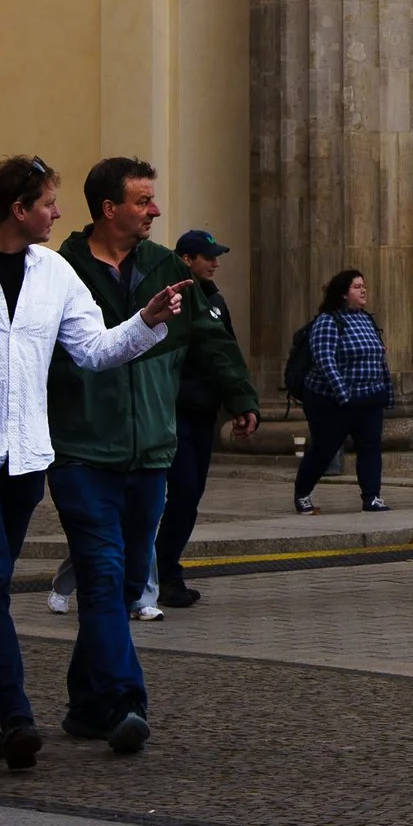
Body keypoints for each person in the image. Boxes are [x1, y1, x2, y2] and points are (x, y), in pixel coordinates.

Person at [0, 156, 184, 770]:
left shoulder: (54, 273)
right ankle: (16, 714)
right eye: (49, 202)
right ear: (18, 209)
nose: (59, 212)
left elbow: (94, 350)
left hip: (26, 457)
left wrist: (145, 322)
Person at [46, 158, 260, 746]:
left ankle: (86, 706)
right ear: (109, 208)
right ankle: (123, 702)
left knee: (119, 582)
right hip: (83, 448)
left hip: (151, 450)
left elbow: (209, 337)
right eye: (143, 201)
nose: (156, 210)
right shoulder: (60, 271)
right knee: (105, 571)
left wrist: (239, 393)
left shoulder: (167, 266)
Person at [154, 228, 250, 610]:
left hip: (203, 412)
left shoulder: (215, 301)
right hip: (174, 411)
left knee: (190, 496)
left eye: (216, 256)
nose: (215, 262)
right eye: (206, 257)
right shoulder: (174, 299)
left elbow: (225, 353)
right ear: (186, 260)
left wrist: (239, 401)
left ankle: (167, 568)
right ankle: (160, 572)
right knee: (179, 492)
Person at [292, 270, 394, 513]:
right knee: (324, 449)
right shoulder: (328, 321)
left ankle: (372, 496)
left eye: (363, 285)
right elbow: (325, 359)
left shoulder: (366, 319)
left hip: (369, 398)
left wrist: (385, 392)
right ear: (343, 293)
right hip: (334, 401)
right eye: (357, 287)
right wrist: (343, 395)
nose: (363, 290)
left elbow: (379, 358)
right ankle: (303, 493)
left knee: (370, 448)